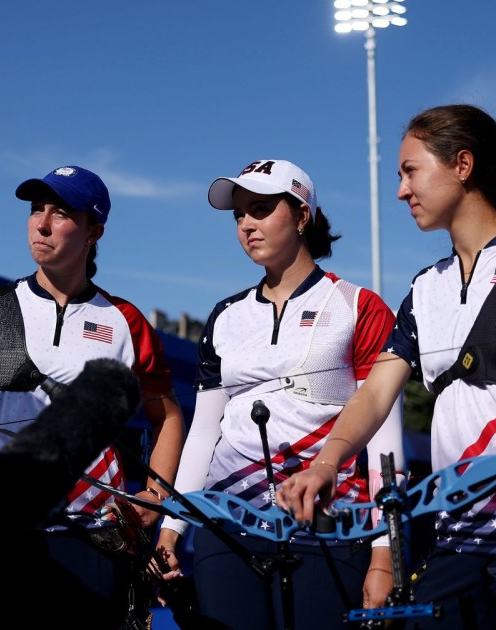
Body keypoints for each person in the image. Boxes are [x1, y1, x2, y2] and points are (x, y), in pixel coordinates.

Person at [277, 104, 496, 630]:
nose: (402, 191)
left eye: (410, 171)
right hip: (459, 554)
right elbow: (375, 396)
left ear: (462, 164)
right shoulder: (425, 290)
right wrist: (327, 463)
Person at [0, 165, 185, 628]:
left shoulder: (126, 320)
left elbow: (166, 417)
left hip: (93, 543)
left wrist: (152, 498)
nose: (41, 223)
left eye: (61, 212)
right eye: (35, 209)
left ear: (94, 231)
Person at [155, 159, 404, 628]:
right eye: (239, 215)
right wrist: (172, 527)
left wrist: (384, 554)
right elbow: (204, 431)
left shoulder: (358, 305)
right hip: (227, 525)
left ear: (303, 214)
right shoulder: (224, 316)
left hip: (329, 523)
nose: (247, 224)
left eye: (261, 209)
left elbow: (385, 443)